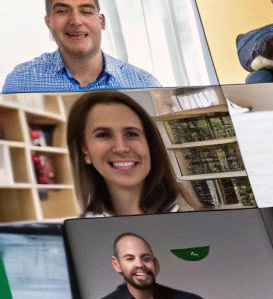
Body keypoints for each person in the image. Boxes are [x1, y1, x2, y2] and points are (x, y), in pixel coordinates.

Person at [3, 0, 162, 92]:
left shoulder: (146, 85)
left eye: (86, 11)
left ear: (101, 21)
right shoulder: (19, 83)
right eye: (63, 11)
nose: (76, 21)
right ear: (48, 22)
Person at [67, 91, 201, 216]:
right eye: (103, 135)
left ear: (150, 144)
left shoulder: (191, 220)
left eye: (131, 134)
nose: (121, 148)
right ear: (85, 150)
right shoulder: (81, 230)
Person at [84, 232, 218, 299]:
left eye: (146, 258)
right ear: (117, 264)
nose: (140, 264)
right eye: (130, 259)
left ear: (156, 264)